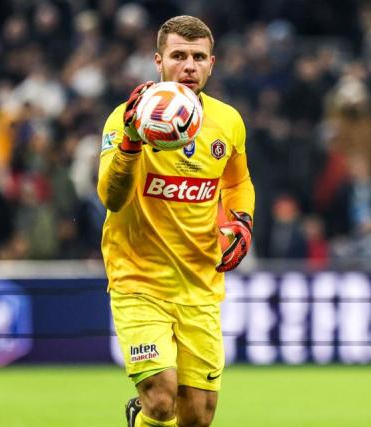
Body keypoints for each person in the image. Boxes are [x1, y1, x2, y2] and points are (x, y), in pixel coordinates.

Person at [97, 16, 255, 427]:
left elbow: (237, 182)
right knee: (161, 398)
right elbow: (111, 197)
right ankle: (147, 413)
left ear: (212, 64)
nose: (189, 66)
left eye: (198, 57)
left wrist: (242, 221)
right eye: (178, 56)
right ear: (158, 61)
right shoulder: (127, 119)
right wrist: (131, 141)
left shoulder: (228, 122)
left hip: (199, 282)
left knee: (197, 416)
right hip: (138, 280)